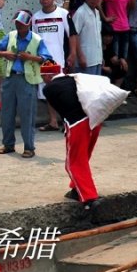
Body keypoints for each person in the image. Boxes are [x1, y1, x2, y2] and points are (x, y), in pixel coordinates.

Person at [42, 72, 117, 211]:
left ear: (47, 76)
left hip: (77, 124)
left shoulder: (48, 89)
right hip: (95, 120)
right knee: (83, 156)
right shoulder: (73, 78)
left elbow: (63, 110)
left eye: (42, 76)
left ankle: (89, 198)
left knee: (73, 163)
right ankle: (75, 189)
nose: (42, 80)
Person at [0, 10, 52, 158]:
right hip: (10, 77)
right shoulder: (11, 35)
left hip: (27, 80)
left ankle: (29, 147)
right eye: (17, 23)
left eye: (22, 24)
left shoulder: (37, 39)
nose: (19, 26)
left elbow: (46, 58)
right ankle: (8, 144)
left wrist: (30, 57)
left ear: (28, 24)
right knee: (6, 114)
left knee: (27, 115)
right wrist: (4, 54)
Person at [32, 0, 78, 131]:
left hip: (59, 59)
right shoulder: (35, 18)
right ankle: (52, 121)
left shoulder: (63, 14)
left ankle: (67, 122)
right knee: (48, 92)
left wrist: (72, 53)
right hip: (42, 61)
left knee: (62, 92)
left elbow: (72, 34)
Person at [101, 0, 134, 64]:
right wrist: (105, 18)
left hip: (125, 28)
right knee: (114, 60)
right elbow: (98, 2)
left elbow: (131, 7)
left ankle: (121, 80)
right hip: (113, 29)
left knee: (124, 59)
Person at [73, 0, 104, 75]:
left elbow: (97, 36)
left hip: (96, 58)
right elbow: (74, 35)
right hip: (86, 59)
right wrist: (80, 55)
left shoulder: (97, 13)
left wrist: (101, 57)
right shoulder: (80, 13)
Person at [101, 22, 127, 87]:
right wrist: (103, 68)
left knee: (121, 68)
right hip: (100, 70)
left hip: (109, 69)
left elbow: (114, 59)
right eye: (106, 36)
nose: (108, 38)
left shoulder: (109, 45)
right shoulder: (97, 47)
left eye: (110, 36)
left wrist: (121, 60)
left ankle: (116, 89)